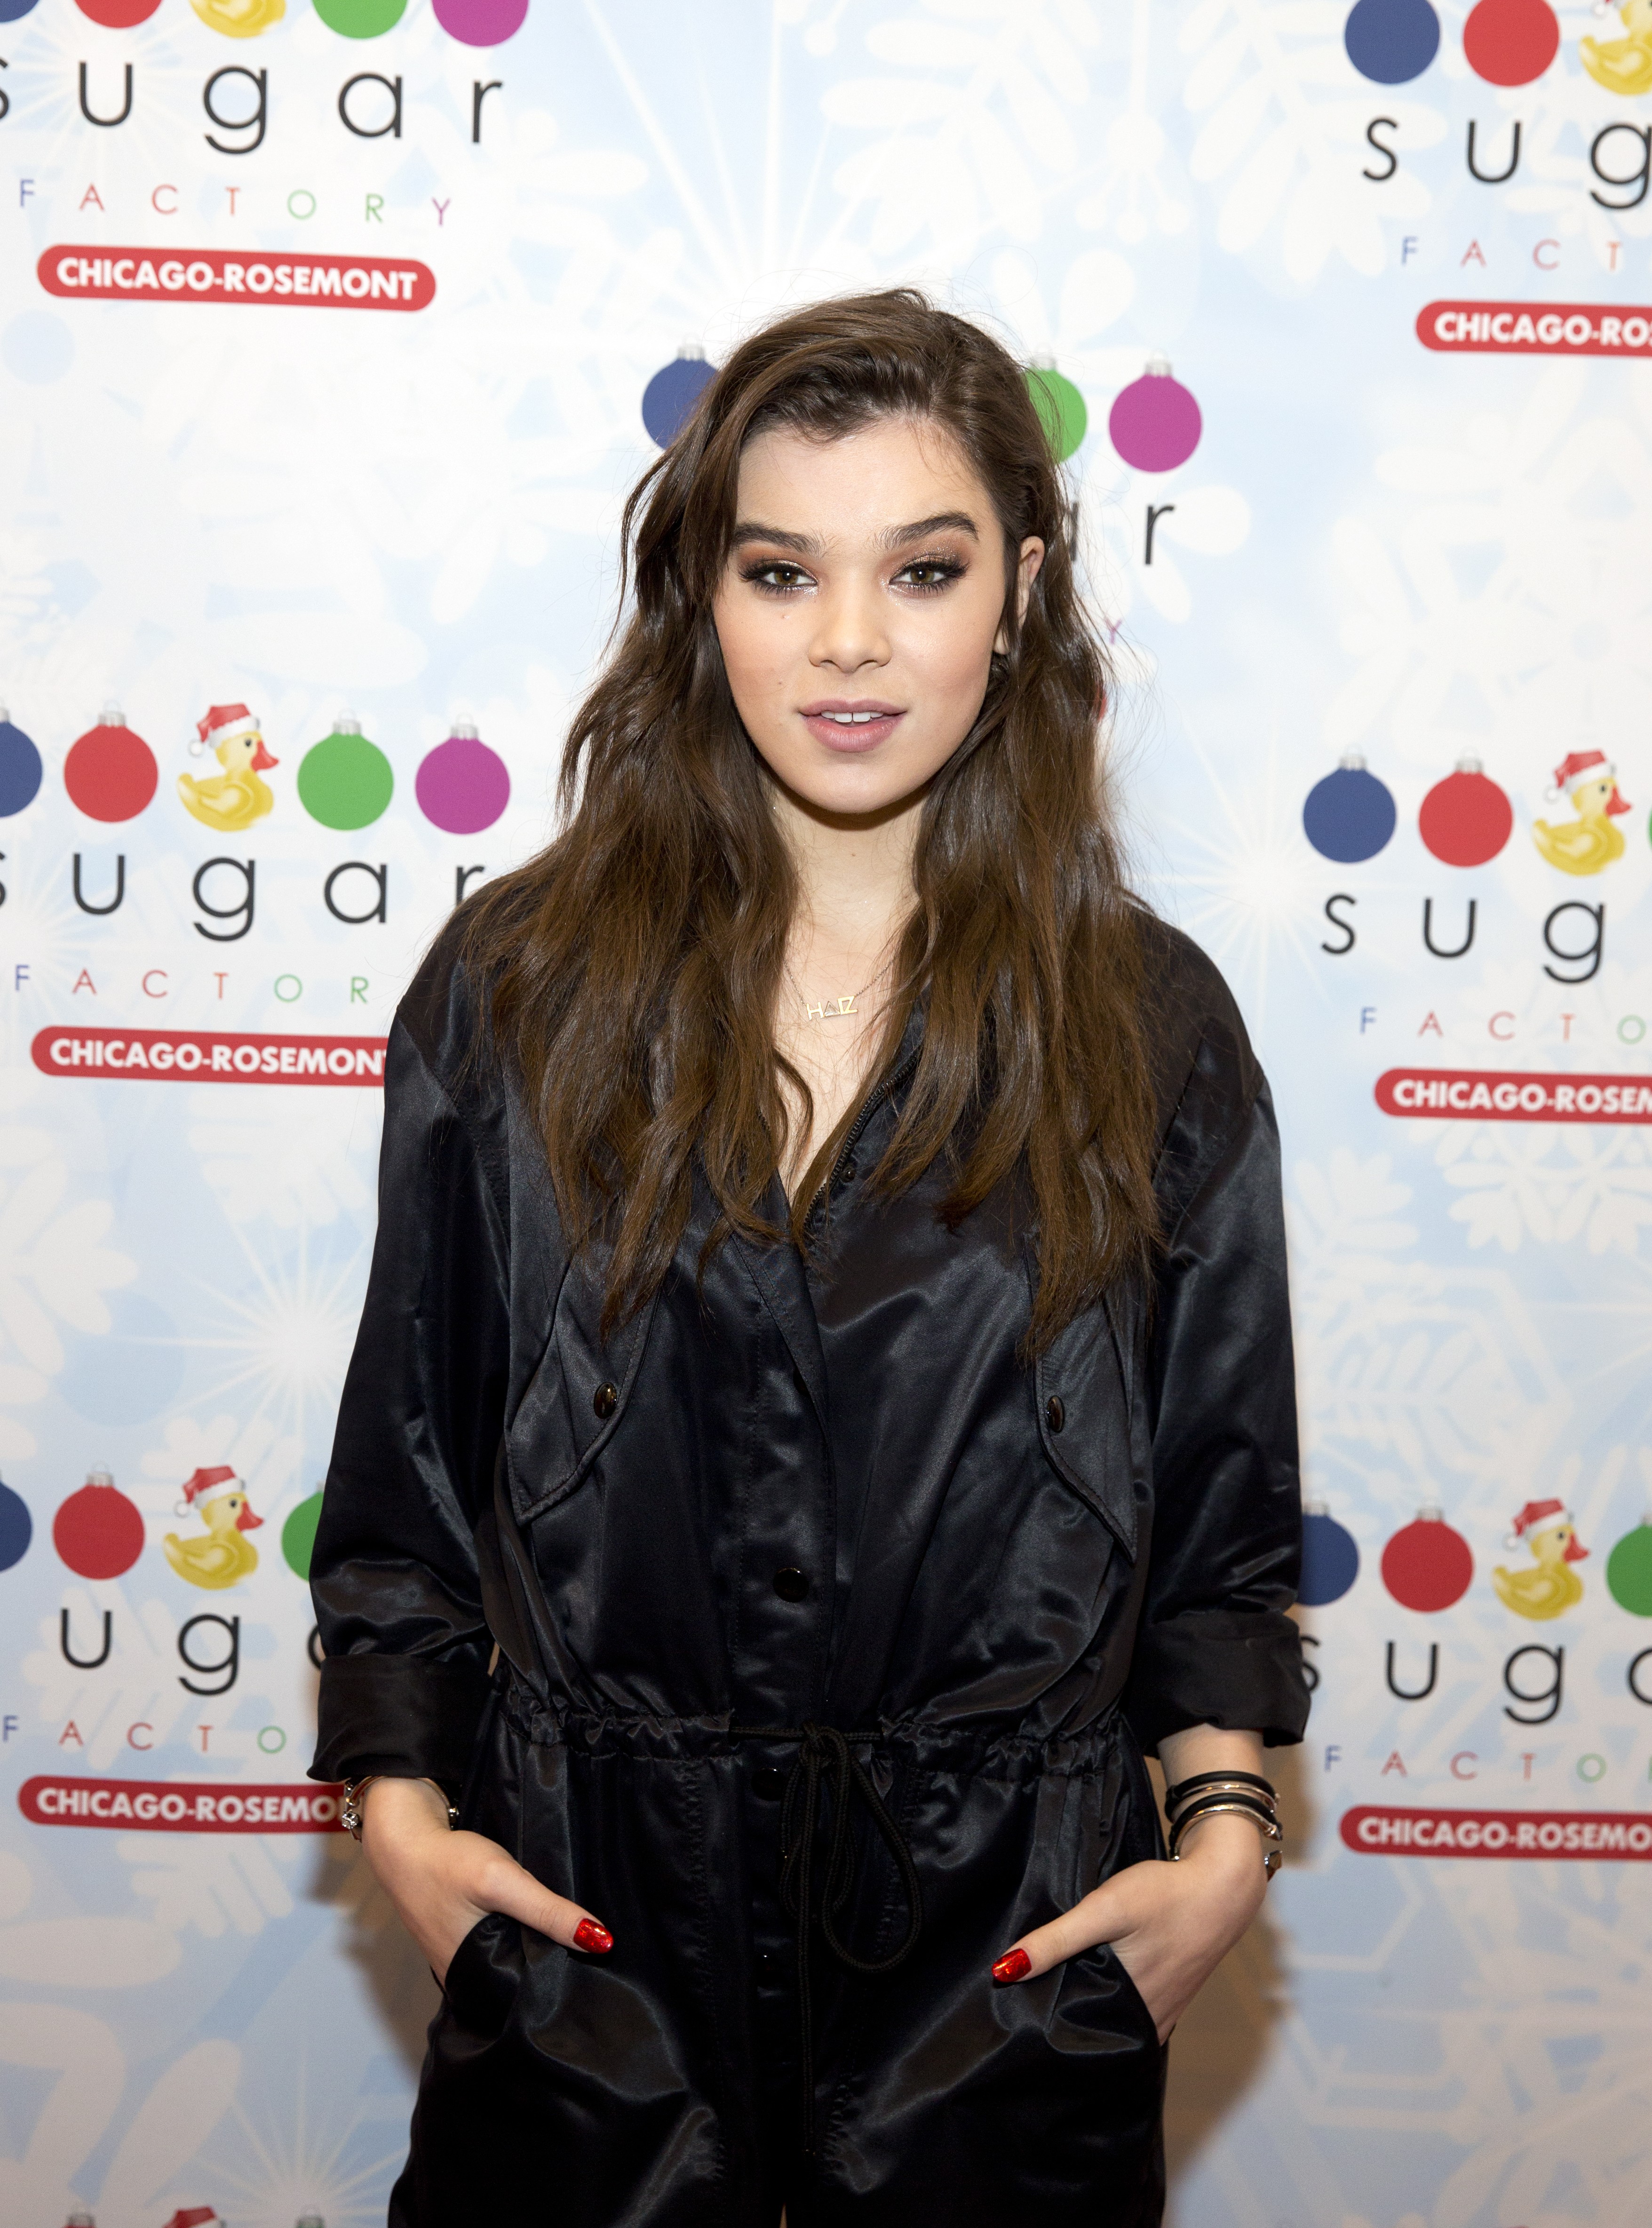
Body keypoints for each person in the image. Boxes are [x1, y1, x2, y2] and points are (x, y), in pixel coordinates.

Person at [309, 289, 1306, 2228]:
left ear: (1019, 594)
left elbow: (1215, 1509)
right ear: (705, 597)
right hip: (595, 1938)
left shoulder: (1151, 1022)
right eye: (783, 571)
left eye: (921, 570)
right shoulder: (516, 992)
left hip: (998, 1960)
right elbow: (406, 1467)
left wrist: (1222, 1837)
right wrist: (404, 1812)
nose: (851, 638)